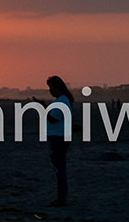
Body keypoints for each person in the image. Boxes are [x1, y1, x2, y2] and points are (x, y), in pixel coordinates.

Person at [45, 76, 73, 207]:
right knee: (59, 168)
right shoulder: (62, 100)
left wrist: (42, 108)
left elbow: (53, 118)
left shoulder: (62, 101)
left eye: (51, 87)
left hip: (58, 137)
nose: (50, 90)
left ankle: (61, 198)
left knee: (60, 169)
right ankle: (61, 197)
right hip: (58, 136)